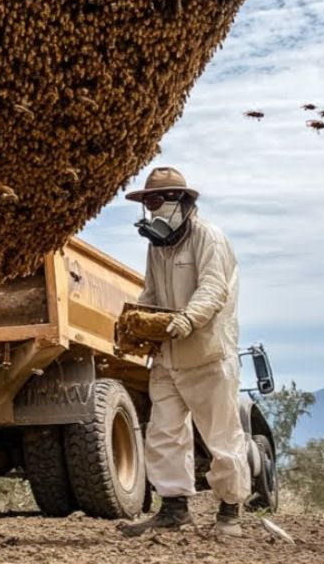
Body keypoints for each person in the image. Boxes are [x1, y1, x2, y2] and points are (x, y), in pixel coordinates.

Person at [120, 167, 250, 538]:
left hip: (208, 354)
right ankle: (174, 509)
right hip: (168, 357)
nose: (153, 207)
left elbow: (214, 288)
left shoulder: (209, 237)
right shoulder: (157, 247)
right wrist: (136, 323)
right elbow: (150, 294)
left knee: (221, 436)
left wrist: (189, 318)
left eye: (158, 199)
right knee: (163, 433)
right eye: (148, 202)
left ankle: (230, 512)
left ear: (181, 200)